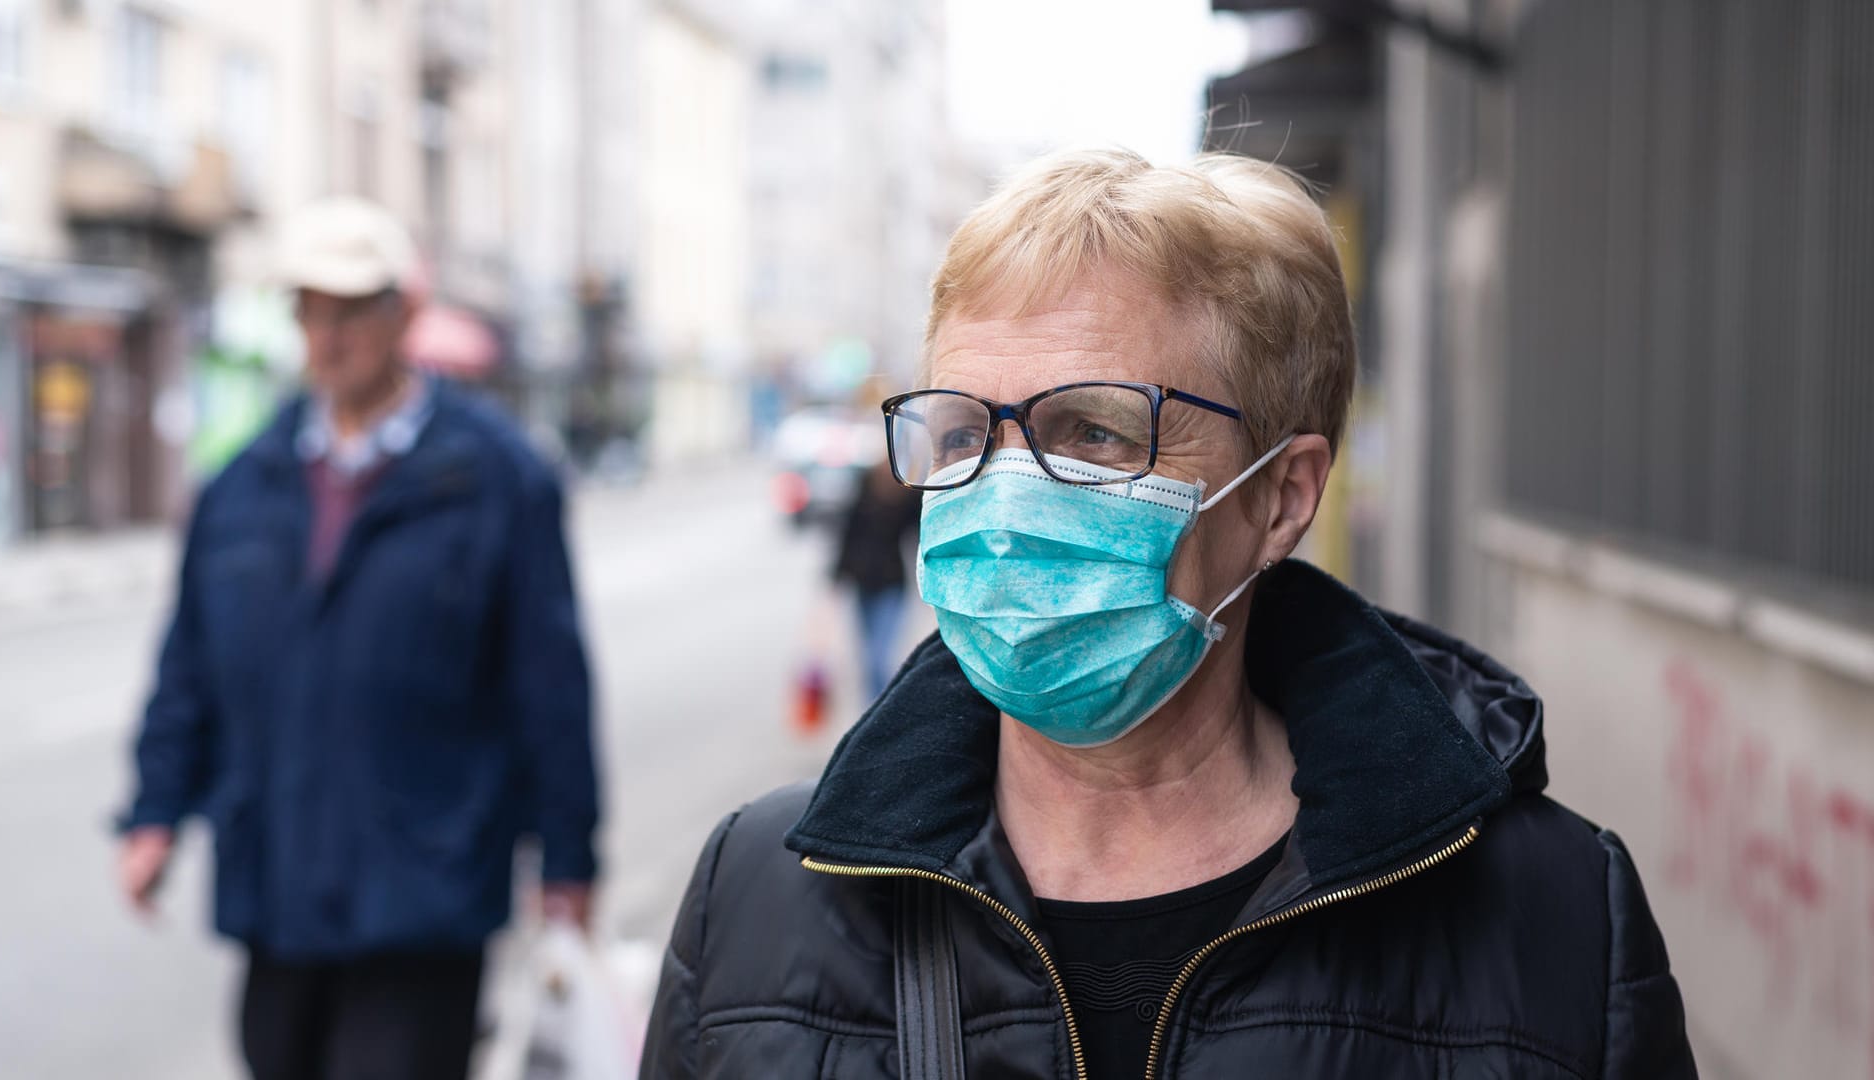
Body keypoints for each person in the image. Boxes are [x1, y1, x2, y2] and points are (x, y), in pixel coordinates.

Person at [640, 150, 1695, 1078]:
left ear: (1282, 499)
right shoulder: (758, 897)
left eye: (1094, 431)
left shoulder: (1551, 918)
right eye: (962, 432)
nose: (1004, 496)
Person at [117, 197, 602, 1080]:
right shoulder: (241, 487)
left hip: (427, 888)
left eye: (351, 311)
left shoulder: (498, 478)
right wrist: (154, 812)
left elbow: (550, 684)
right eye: (310, 310)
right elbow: (188, 664)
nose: (327, 336)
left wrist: (568, 861)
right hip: (279, 885)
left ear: (404, 315)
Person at [831, 457, 922, 699]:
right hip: (862, 582)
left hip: (892, 584)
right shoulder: (863, 487)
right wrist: (835, 580)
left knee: (879, 656)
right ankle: (871, 707)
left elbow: (921, 537)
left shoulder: (908, 496)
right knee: (867, 655)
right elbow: (847, 536)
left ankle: (879, 704)